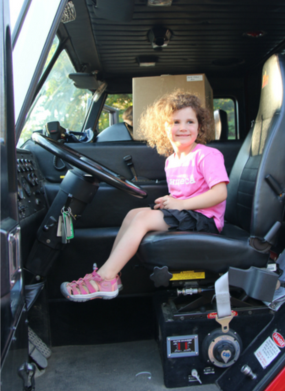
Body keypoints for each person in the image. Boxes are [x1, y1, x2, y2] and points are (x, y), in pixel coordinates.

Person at [61, 91, 228, 301]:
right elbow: (185, 192)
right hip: (187, 214)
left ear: (200, 126)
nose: (183, 127)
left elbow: (220, 193)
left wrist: (180, 204)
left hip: (205, 220)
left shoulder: (206, 155)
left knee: (142, 218)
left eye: (190, 122)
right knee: (133, 214)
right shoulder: (172, 160)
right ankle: (111, 275)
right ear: (164, 127)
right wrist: (170, 201)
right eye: (175, 122)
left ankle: (105, 277)